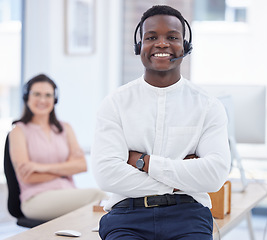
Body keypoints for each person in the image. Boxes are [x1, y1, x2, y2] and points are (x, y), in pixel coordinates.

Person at [92, 5, 231, 240]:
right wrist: (182, 180)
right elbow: (107, 174)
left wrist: (144, 162)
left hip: (188, 217)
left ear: (185, 47)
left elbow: (215, 175)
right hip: (127, 216)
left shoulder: (208, 106)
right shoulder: (115, 103)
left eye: (173, 37)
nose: (162, 44)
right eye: (152, 37)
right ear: (140, 46)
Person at [9, 74, 106, 221]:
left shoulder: (65, 128)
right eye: (37, 94)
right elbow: (27, 176)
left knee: (101, 210)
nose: (42, 100)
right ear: (26, 97)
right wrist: (64, 171)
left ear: (54, 99)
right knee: (99, 197)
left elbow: (81, 165)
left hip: (67, 193)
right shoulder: (18, 131)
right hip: (35, 199)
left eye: (48, 95)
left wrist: (40, 167)